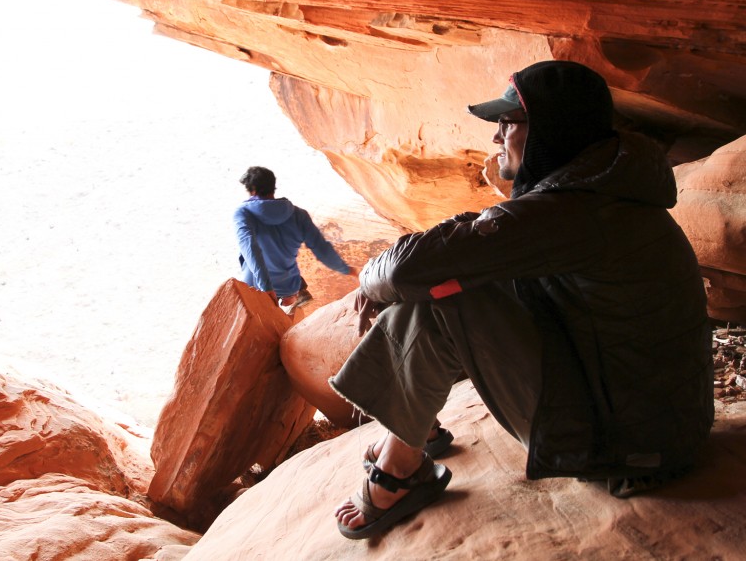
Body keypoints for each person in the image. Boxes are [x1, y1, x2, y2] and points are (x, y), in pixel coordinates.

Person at [330, 60, 714, 540]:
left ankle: (402, 469)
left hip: (627, 447)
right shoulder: (601, 185)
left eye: (509, 122)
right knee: (452, 278)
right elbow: (476, 241)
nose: (497, 136)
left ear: (554, 129)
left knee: (438, 296)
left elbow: (412, 269)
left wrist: (370, 281)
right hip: (652, 423)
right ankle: (413, 427)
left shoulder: (575, 211)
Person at [234, 165, 358, 314]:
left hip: (257, 288)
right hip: (290, 286)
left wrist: (266, 288)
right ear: (273, 187)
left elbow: (250, 249)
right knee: (279, 253)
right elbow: (321, 249)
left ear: (252, 189)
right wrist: (347, 269)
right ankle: (296, 296)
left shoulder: (243, 213)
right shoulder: (298, 214)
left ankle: (287, 301)